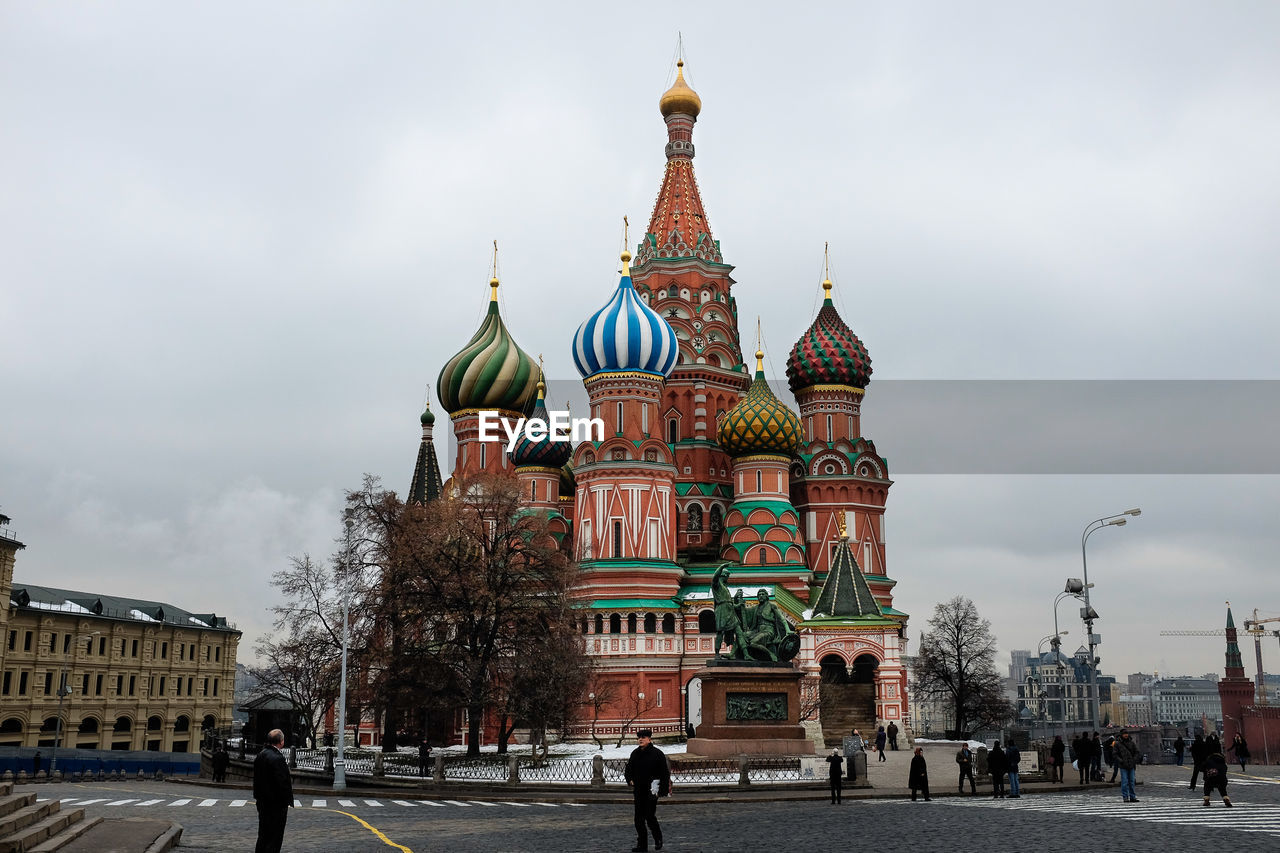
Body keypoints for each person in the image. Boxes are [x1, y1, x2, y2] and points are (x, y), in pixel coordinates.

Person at [624, 728, 670, 852]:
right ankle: (642, 845)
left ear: (649, 739)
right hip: (638, 790)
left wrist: (662, 790)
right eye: (639, 737)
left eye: (643, 738)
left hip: (651, 790)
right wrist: (629, 780)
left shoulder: (657, 753)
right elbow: (628, 770)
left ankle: (658, 838)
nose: (640, 739)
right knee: (638, 819)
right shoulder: (635, 753)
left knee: (649, 816)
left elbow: (664, 773)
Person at [253, 728, 294, 853]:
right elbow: (282, 783)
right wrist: (286, 800)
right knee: (275, 837)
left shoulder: (261, 755)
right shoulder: (277, 758)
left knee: (263, 834)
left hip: (262, 801)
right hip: (276, 804)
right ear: (281, 741)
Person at [1114, 729, 1141, 803]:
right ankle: (1125, 797)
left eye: (1127, 734)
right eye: (1124, 734)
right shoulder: (1117, 744)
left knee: (1132, 781)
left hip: (1131, 765)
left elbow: (1137, 752)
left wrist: (1134, 760)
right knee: (1125, 782)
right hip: (1123, 765)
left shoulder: (1131, 743)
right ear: (1121, 735)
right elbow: (1115, 754)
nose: (1126, 735)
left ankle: (1132, 797)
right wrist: (1121, 761)